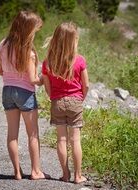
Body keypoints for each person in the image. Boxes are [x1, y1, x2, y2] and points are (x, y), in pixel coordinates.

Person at [0, 11, 49, 180]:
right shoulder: (29, 53)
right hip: (25, 93)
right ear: (28, 30)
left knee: (12, 134)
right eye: (34, 30)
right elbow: (33, 79)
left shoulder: (3, 45)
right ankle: (36, 171)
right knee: (32, 134)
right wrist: (43, 78)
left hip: (7, 91)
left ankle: (17, 172)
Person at [42, 22, 89, 184]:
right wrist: (81, 98)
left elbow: (47, 87)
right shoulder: (80, 60)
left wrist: (54, 97)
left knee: (61, 139)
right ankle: (78, 176)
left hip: (57, 102)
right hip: (76, 101)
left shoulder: (48, 62)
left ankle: (65, 174)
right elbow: (86, 84)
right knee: (75, 140)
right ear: (73, 40)